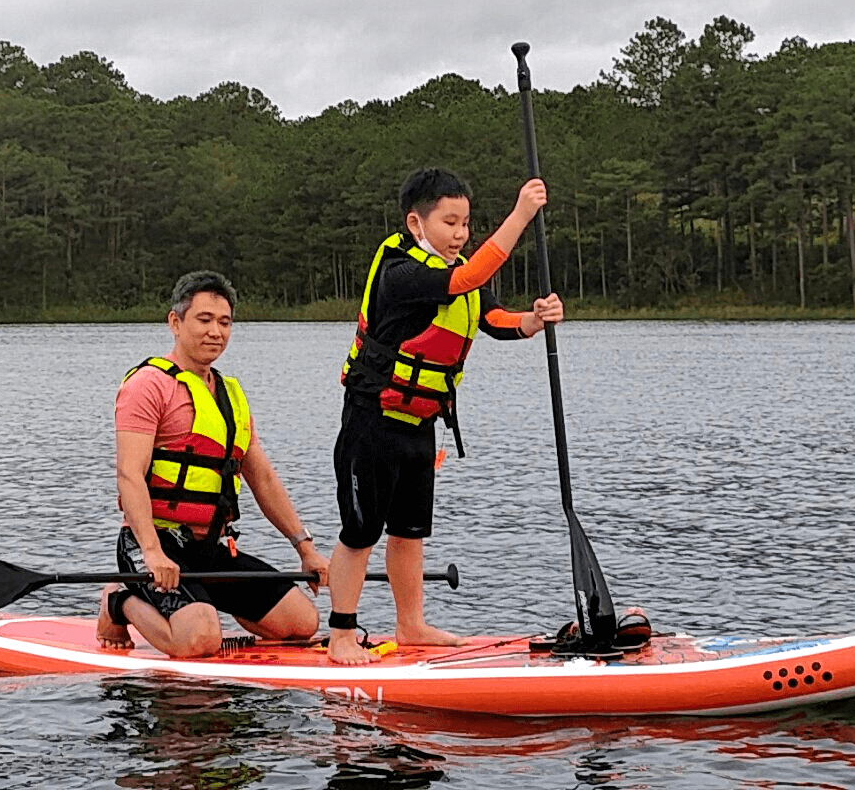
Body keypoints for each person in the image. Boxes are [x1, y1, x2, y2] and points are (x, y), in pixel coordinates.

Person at [326, 167, 564, 664]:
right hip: (372, 418)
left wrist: (534, 320)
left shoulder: (458, 272)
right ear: (417, 224)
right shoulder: (402, 271)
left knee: (410, 532)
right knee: (361, 531)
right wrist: (522, 213)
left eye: (466, 224)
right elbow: (471, 276)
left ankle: (411, 625)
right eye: (450, 223)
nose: (460, 234)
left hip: (421, 422)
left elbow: (494, 318)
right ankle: (341, 633)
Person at [97, 270, 332, 657]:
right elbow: (129, 476)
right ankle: (119, 601)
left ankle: (198, 602)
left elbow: (263, 479)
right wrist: (153, 553)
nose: (215, 332)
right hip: (152, 543)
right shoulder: (147, 385)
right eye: (203, 320)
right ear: (176, 322)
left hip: (209, 548)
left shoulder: (232, 395)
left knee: (300, 624)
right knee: (200, 641)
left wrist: (304, 547)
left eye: (224, 322)